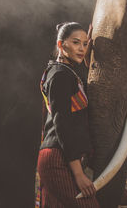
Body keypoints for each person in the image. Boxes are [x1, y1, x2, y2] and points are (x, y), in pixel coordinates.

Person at [36, 22, 99, 208]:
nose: (82, 49)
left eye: (85, 44)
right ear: (61, 45)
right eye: (76, 43)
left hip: (59, 156)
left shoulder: (66, 73)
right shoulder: (60, 76)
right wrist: (79, 174)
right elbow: (62, 123)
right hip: (57, 159)